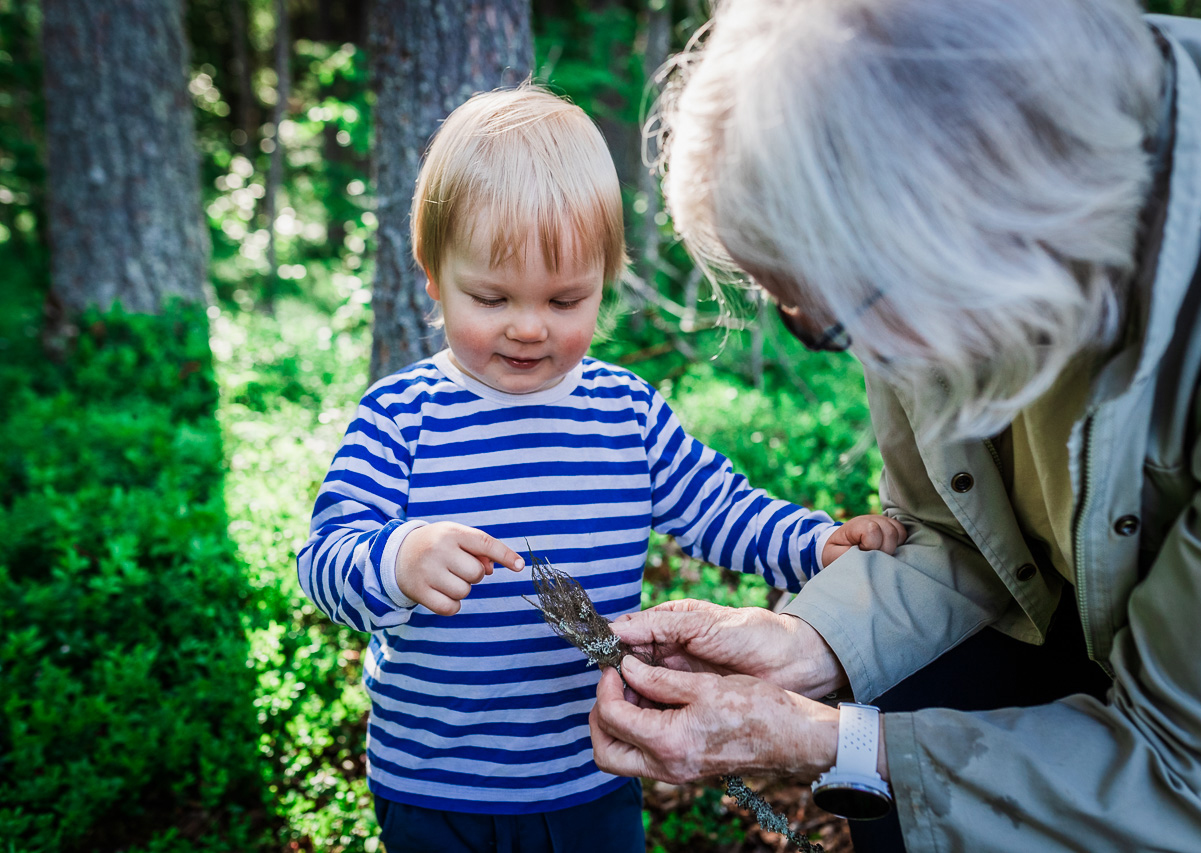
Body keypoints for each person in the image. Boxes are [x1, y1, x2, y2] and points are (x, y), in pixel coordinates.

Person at [589, 1, 1201, 851]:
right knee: (900, 715)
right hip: (1093, 622)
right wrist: (807, 643)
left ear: (973, 234)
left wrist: (819, 739)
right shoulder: (926, 246)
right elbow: (954, 533)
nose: (846, 351)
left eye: (826, 324)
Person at [296, 84, 906, 853]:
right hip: (434, 784)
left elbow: (721, 508)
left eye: (564, 298)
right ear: (431, 273)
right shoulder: (400, 416)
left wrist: (815, 545)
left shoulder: (626, 412)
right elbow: (323, 558)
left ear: (604, 282)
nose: (527, 326)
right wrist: (394, 558)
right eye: (490, 296)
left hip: (591, 771)